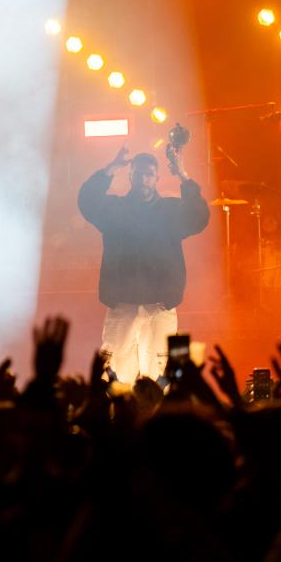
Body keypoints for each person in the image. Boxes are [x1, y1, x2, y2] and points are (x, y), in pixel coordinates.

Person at [77, 146, 210, 384]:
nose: (143, 179)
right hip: (122, 303)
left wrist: (182, 174)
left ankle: (161, 418)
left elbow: (199, 217)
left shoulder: (169, 211)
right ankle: (116, 418)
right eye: (138, 174)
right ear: (130, 176)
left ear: (157, 178)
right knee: (114, 373)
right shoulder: (115, 210)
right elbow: (87, 201)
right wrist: (112, 168)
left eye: (149, 174)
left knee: (163, 373)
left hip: (160, 305)